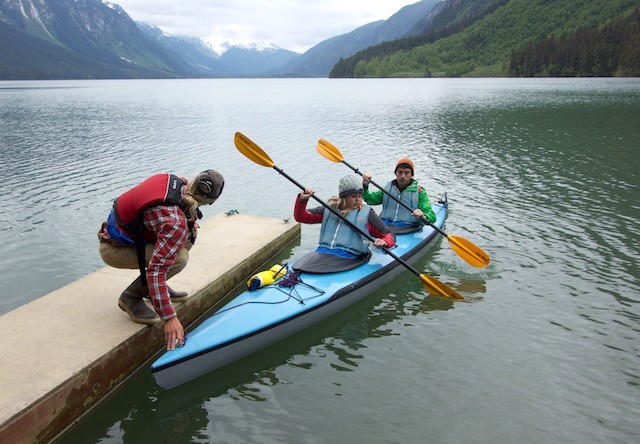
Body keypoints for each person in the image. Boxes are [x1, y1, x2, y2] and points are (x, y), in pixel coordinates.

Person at [98, 170, 224, 350]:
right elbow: (156, 270)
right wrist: (170, 318)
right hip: (113, 250)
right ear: (212, 202)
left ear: (193, 180)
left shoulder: (176, 181)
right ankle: (131, 297)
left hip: (115, 234)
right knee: (179, 258)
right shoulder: (175, 224)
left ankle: (151, 291)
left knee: (188, 233)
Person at [292, 174, 395, 273]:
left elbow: (389, 235)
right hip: (323, 253)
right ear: (344, 197)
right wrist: (302, 200)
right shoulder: (329, 209)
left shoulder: (367, 214)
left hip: (350, 258)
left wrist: (384, 242)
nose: (358, 199)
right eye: (353, 196)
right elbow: (301, 217)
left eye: (360, 196)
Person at [362, 157, 436, 233]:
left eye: (407, 173)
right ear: (395, 173)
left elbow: (432, 216)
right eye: (400, 172)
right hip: (385, 226)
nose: (403, 176)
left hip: (409, 227)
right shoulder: (387, 189)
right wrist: (365, 185)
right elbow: (369, 199)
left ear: (411, 175)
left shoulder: (419, 192)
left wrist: (423, 216)